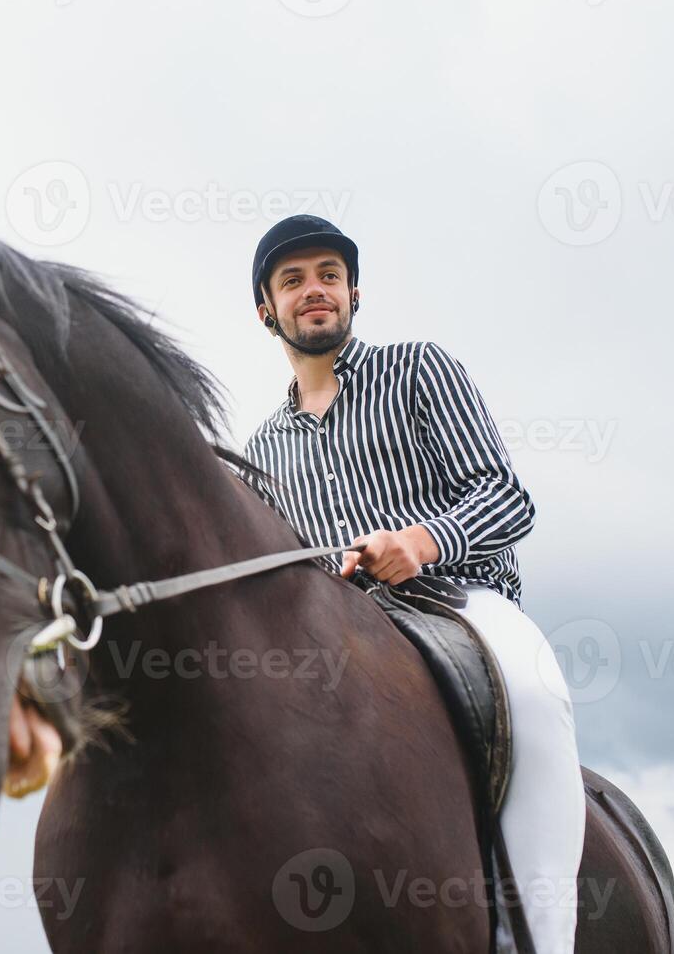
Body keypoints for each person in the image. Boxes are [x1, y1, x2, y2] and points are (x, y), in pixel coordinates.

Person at [241, 215, 587, 953]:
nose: (315, 291)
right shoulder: (261, 450)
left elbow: (507, 497)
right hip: (342, 641)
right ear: (267, 309)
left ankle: (543, 937)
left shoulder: (421, 369)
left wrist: (421, 541)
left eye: (329, 274)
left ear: (354, 292)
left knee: (532, 691)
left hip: (462, 606)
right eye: (293, 280)